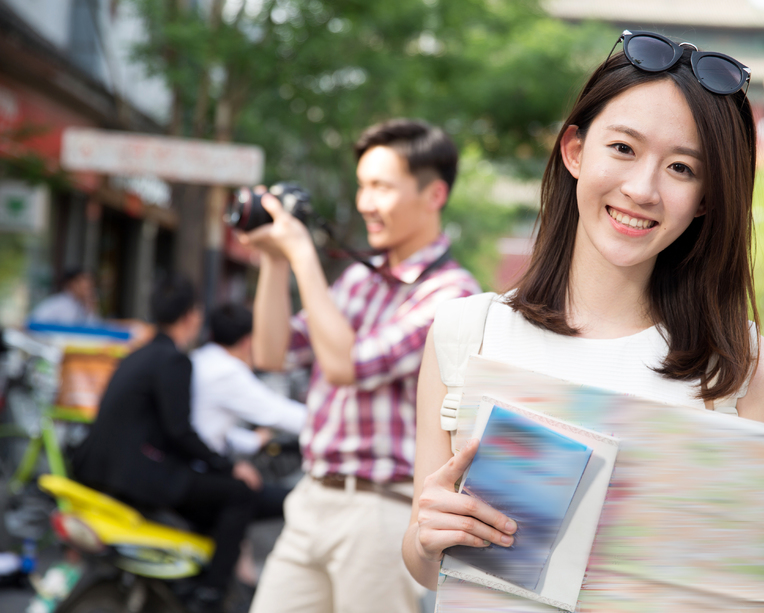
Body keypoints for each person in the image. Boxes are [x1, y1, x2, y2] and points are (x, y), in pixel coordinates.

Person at [402, 31, 764, 613]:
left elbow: (741, 595)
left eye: (683, 168)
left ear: (707, 198)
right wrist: (424, 535)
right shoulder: (465, 331)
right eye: (623, 149)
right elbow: (430, 569)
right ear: (574, 152)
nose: (642, 189)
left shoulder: (741, 366)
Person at [241, 119, 481, 613]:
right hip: (311, 498)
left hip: (381, 511)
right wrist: (275, 260)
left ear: (434, 194)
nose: (364, 203)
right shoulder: (358, 279)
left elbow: (347, 364)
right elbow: (272, 351)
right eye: (361, 186)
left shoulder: (452, 294)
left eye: (381, 187)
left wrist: (303, 254)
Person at [72, 275, 260, 613]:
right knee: (238, 493)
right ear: (191, 316)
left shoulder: (137, 355)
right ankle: (210, 594)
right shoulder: (174, 360)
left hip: (101, 470)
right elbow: (179, 431)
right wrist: (230, 466)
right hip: (137, 476)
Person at [191, 302, 307, 518]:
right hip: (205, 473)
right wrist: (332, 422)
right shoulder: (228, 372)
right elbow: (278, 413)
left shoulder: (200, 358)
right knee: (291, 502)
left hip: (196, 466)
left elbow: (207, 426)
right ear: (248, 341)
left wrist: (254, 440)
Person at [29, 267, 98, 324]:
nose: (88, 286)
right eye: (84, 282)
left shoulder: (85, 306)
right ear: (72, 283)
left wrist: (89, 310)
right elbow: (34, 322)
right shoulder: (56, 304)